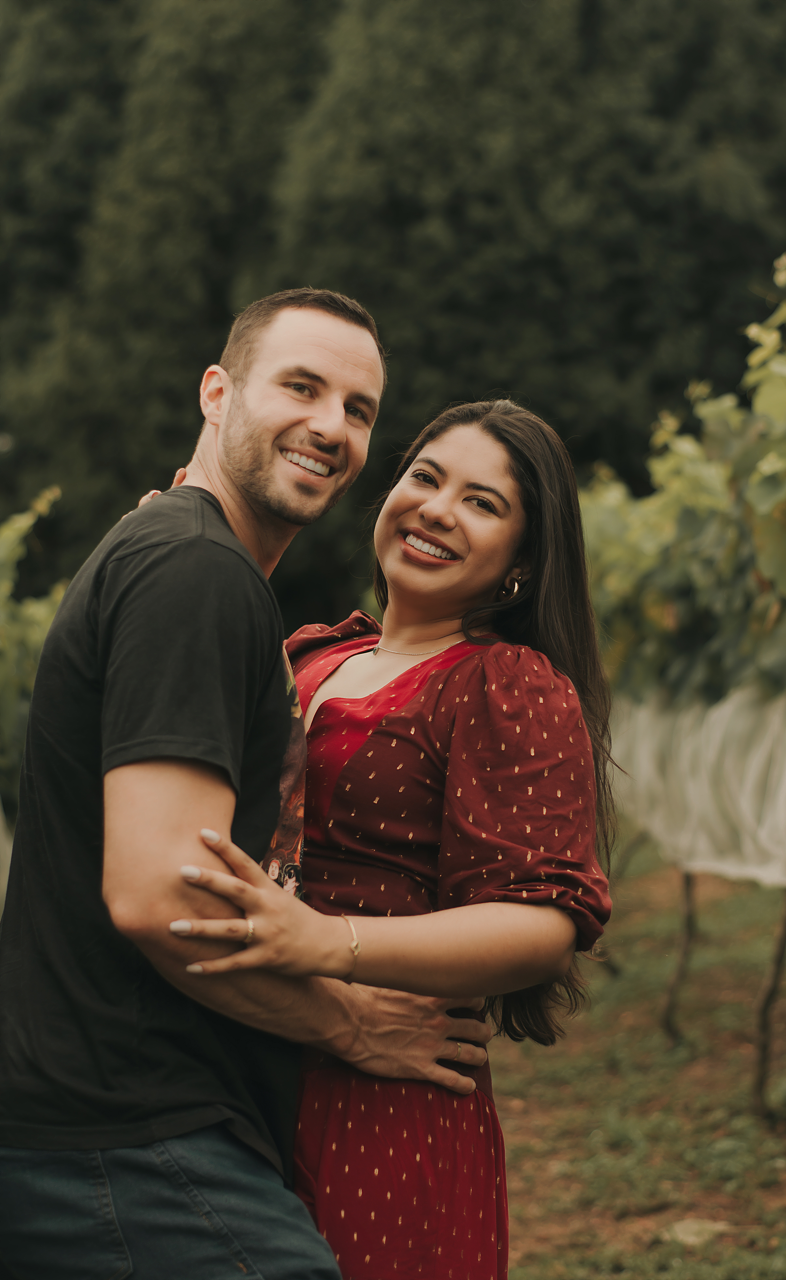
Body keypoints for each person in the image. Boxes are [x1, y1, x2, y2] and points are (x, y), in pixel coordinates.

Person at [0, 289, 490, 1280]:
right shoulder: (195, 570)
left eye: (357, 409)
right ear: (216, 392)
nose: (330, 425)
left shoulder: (185, 558)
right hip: (126, 1135)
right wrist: (348, 1017)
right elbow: (157, 896)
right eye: (300, 386)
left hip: (104, 1130)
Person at [168, 400, 614, 1279]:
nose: (438, 509)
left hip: (382, 1090)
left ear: (522, 562)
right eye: (425, 477)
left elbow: (541, 924)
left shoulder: (504, 682)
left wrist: (324, 940)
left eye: (484, 503)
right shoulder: (311, 653)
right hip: (245, 1053)